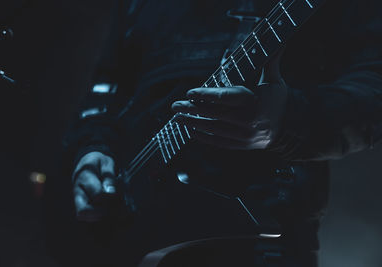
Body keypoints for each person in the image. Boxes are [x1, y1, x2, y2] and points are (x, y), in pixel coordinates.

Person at [62, 0, 382, 266]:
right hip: (126, 228)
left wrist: (287, 120)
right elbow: (105, 88)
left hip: (257, 235)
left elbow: (374, 89)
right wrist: (93, 147)